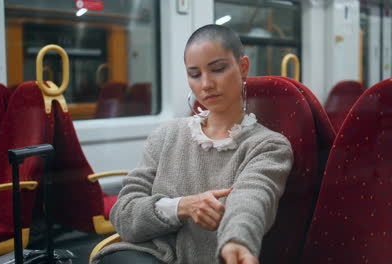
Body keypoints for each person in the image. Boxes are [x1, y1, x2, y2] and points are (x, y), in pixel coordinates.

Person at [92, 24, 293, 264]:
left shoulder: (268, 145)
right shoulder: (166, 135)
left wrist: (237, 241)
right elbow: (124, 213)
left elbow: (252, 198)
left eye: (217, 69)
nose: (206, 84)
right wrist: (181, 207)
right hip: (144, 255)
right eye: (195, 74)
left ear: (243, 67)